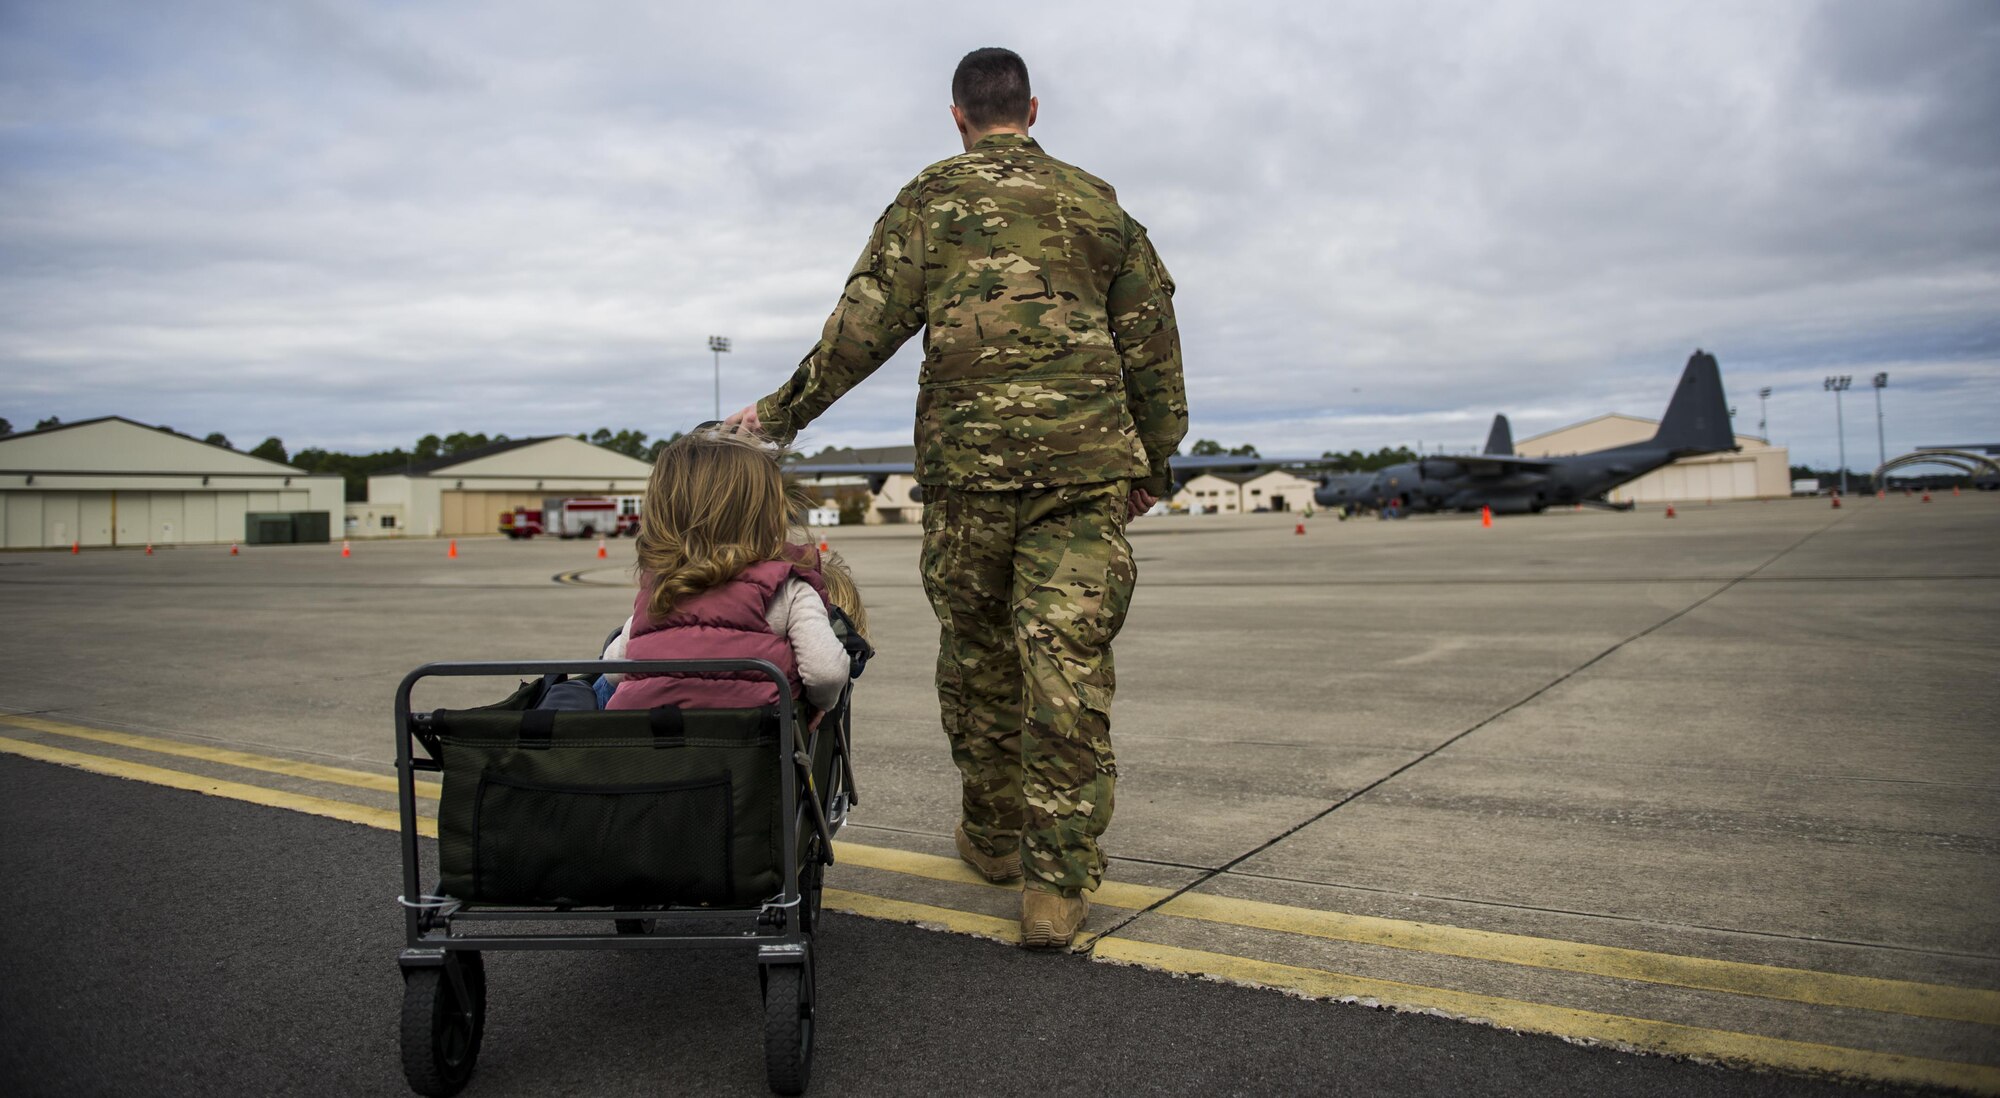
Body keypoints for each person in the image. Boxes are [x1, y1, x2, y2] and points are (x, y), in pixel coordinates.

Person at [726, 47, 1187, 949]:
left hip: (971, 481)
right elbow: (1154, 347)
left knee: (978, 663)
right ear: (1033, 108)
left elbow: (861, 331)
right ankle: (1056, 889)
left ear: (957, 116)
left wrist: (777, 417)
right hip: (1080, 477)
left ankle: (994, 837)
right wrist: (1151, 466)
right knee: (1067, 670)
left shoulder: (930, 202)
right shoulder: (1100, 205)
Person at [601, 429, 851, 716]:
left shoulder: (660, 587)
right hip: (750, 750)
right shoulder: (787, 586)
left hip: (652, 750)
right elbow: (826, 672)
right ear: (767, 512)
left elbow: (613, 667)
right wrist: (821, 704)